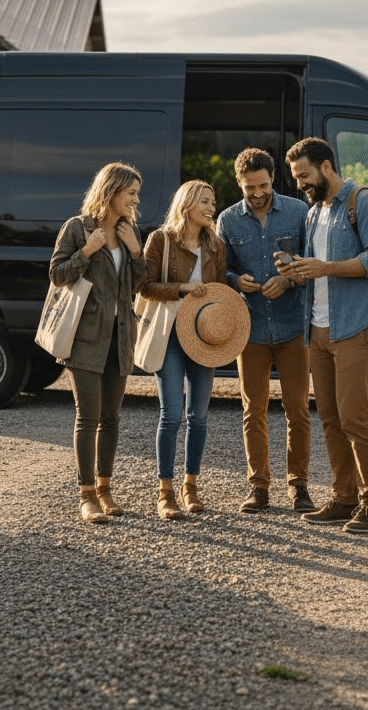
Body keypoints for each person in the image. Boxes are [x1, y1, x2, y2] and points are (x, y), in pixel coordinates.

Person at [276, 137, 368, 534]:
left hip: (357, 324)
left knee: (353, 416)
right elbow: (316, 270)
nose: (300, 184)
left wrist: (325, 268)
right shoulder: (313, 214)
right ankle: (344, 499)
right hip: (319, 328)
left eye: (304, 175)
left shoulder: (364, 202)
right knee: (328, 416)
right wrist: (295, 269)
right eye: (295, 178)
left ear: (326, 167)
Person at [215, 148, 315, 514]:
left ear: (274, 178)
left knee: (297, 410)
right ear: (238, 183)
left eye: (263, 185)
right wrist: (235, 280)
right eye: (249, 187)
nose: (257, 193)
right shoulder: (227, 220)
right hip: (250, 328)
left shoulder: (299, 212)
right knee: (252, 410)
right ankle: (258, 487)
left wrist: (288, 281)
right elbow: (218, 270)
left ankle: (298, 486)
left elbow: (311, 266)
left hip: (292, 326)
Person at [49, 162, 146, 523]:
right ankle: (86, 494)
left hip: (120, 337)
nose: (136, 199)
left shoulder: (128, 230)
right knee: (88, 417)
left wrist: (136, 252)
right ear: (112, 191)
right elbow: (57, 274)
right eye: (131, 193)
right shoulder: (77, 228)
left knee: (112, 418)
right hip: (86, 336)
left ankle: (105, 490)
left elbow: (136, 286)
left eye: (136, 193)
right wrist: (87, 251)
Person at [139, 179, 228, 519]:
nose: (211, 207)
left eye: (213, 201)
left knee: (200, 417)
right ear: (188, 203)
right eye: (205, 201)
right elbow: (144, 286)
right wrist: (182, 288)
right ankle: (165, 492)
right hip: (170, 336)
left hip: (205, 337)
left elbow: (220, 291)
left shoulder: (216, 245)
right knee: (172, 414)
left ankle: (191, 486)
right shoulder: (160, 240)